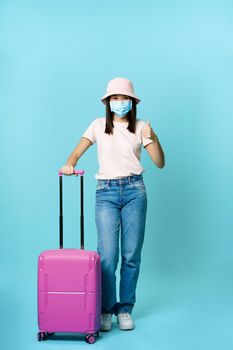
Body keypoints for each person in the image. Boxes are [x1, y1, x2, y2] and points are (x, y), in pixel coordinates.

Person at [60, 77, 165, 331]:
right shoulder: (98, 126)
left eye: (124, 98)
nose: (120, 102)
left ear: (132, 102)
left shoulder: (141, 127)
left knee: (131, 255)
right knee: (107, 256)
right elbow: (75, 152)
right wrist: (70, 164)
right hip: (105, 192)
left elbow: (160, 162)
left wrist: (155, 138)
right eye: (115, 98)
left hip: (134, 191)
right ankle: (106, 309)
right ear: (108, 102)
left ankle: (125, 308)